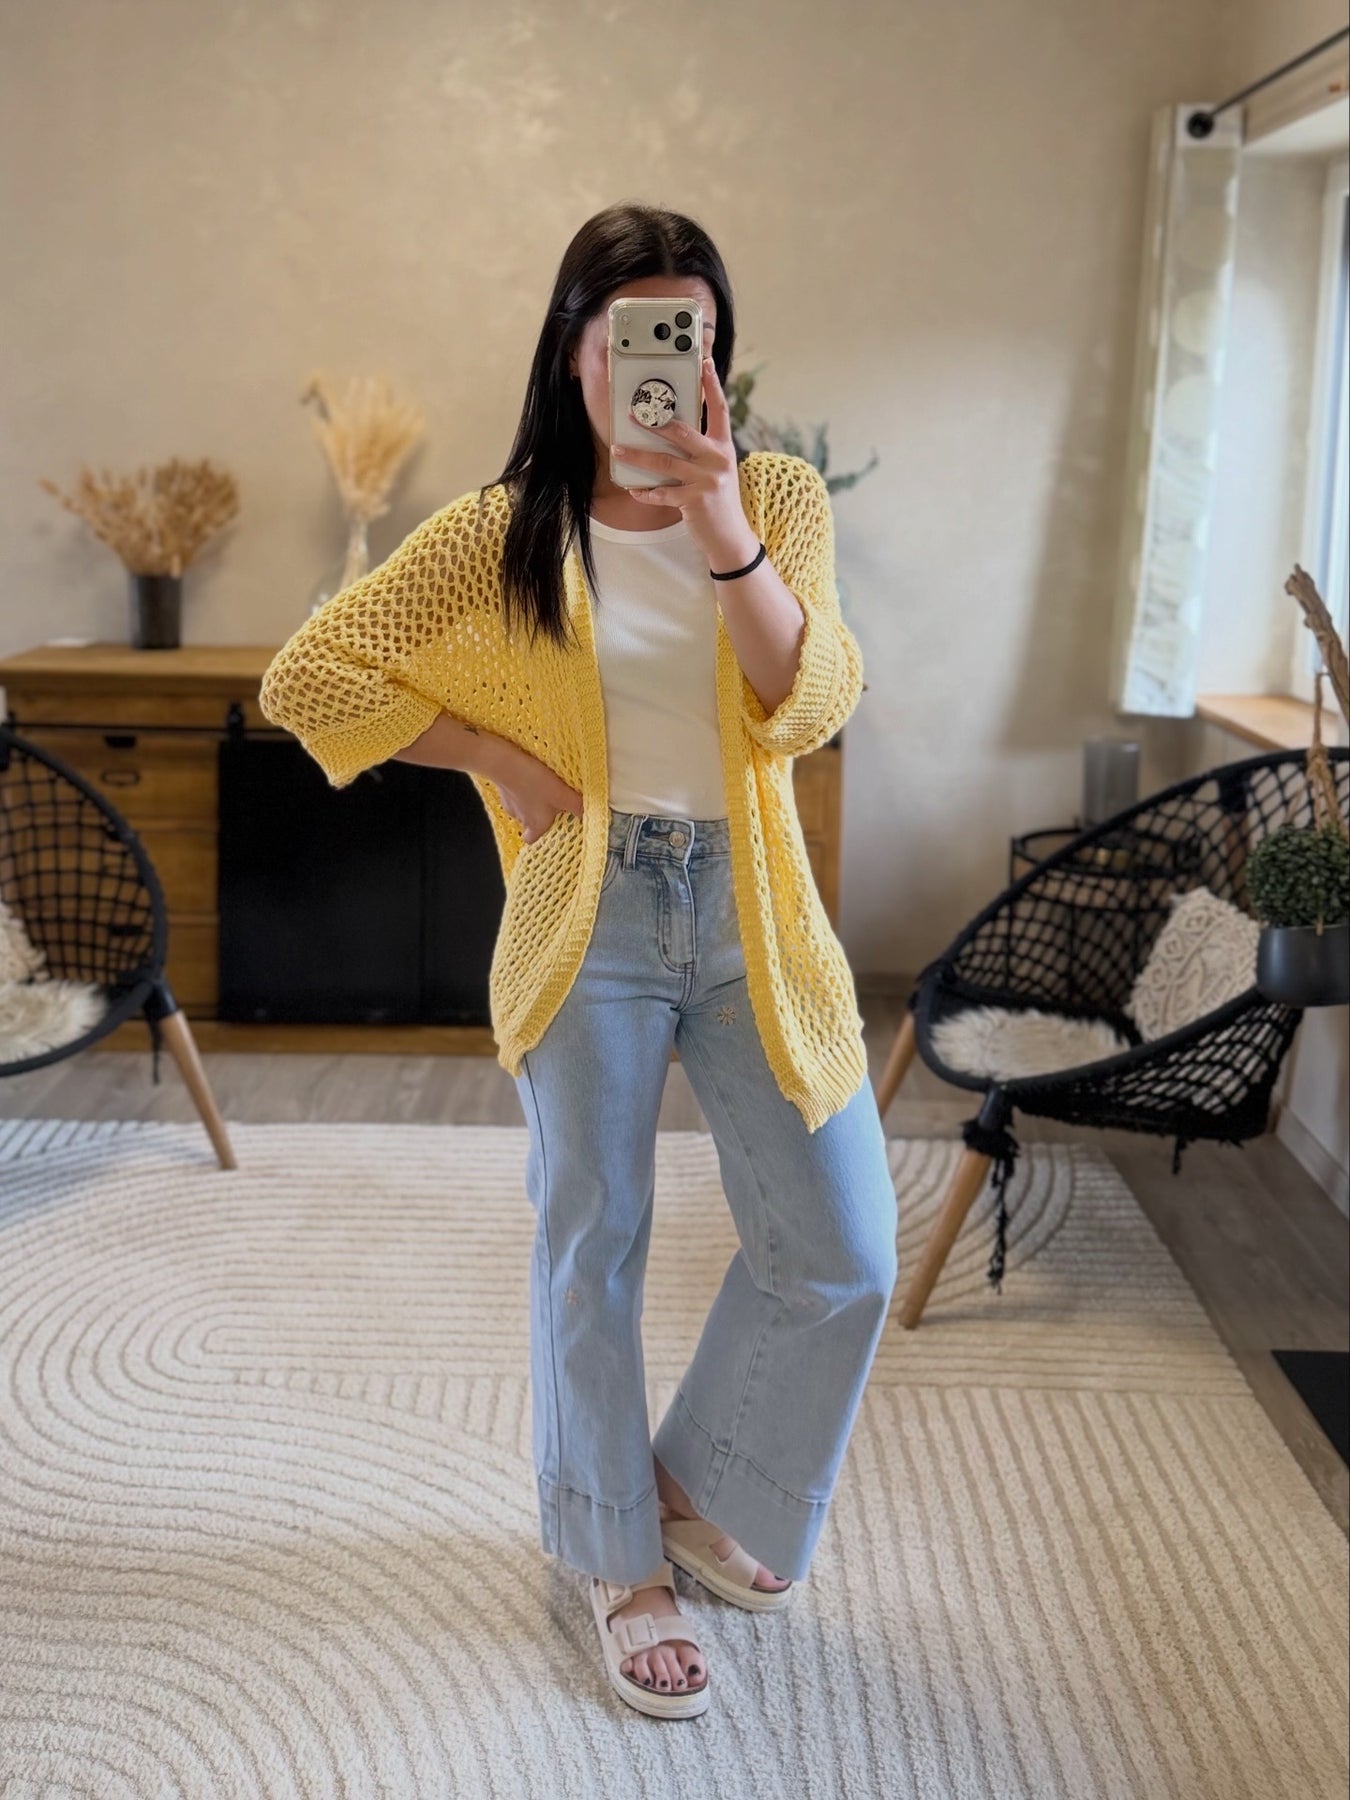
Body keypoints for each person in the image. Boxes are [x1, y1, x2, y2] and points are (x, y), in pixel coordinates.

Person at [259, 203, 899, 1722]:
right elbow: (310, 676)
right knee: (592, 1244)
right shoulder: (502, 532)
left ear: (718, 357)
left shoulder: (775, 498)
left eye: (692, 338)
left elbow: (810, 704)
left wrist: (724, 531)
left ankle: (677, 1485)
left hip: (749, 914)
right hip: (590, 913)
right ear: (574, 351)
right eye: (632, 339)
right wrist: (500, 759)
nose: (662, 367)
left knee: (842, 1247)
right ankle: (619, 1564)